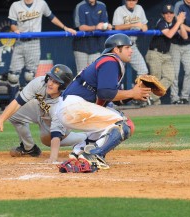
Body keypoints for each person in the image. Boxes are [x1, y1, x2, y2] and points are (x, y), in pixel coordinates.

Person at [56, 34, 151, 168]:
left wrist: (135, 94)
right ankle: (93, 155)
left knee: (109, 123)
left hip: (70, 108)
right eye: (127, 47)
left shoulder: (107, 62)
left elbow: (110, 97)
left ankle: (79, 152)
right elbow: (105, 92)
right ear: (116, 50)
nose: (131, 50)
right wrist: (131, 92)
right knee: (122, 124)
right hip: (74, 107)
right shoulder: (110, 61)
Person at [0, 64, 87, 163]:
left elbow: (56, 135)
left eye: (55, 82)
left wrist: (53, 157)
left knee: (47, 141)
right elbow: (18, 102)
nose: (50, 83)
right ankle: (29, 149)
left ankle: (85, 138)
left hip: (60, 125)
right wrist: (0, 120)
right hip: (40, 111)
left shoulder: (61, 105)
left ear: (62, 87)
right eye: (50, 79)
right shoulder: (40, 82)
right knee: (13, 113)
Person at [7, 0, 77, 100]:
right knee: (12, 77)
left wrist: (65, 27)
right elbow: (12, 23)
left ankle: (26, 102)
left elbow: (51, 17)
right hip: (20, 42)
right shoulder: (15, 5)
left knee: (29, 76)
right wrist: (15, 29)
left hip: (34, 42)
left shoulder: (41, 3)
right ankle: (12, 101)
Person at [145, 4, 188, 105]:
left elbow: (185, 36)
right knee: (155, 79)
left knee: (169, 77)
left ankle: (151, 98)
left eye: (171, 13)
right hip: (154, 53)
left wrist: (180, 23)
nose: (169, 15)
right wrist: (178, 22)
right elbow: (169, 34)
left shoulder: (175, 23)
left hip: (166, 55)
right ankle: (151, 100)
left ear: (174, 14)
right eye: (166, 13)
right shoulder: (161, 22)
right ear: (162, 15)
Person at [73, 0, 112, 74]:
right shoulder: (80, 6)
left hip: (96, 46)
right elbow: (81, 27)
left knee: (94, 73)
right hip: (81, 46)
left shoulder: (102, 5)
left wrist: (107, 26)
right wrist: (96, 27)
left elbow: (104, 23)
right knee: (81, 74)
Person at [112, 0, 149, 79]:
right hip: (120, 46)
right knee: (116, 73)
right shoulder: (119, 10)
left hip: (132, 45)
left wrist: (144, 27)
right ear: (125, 1)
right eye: (129, 0)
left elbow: (145, 26)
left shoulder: (139, 8)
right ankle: (115, 90)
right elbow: (117, 27)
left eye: (133, 0)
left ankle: (137, 91)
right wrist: (134, 24)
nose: (131, 2)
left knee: (143, 71)